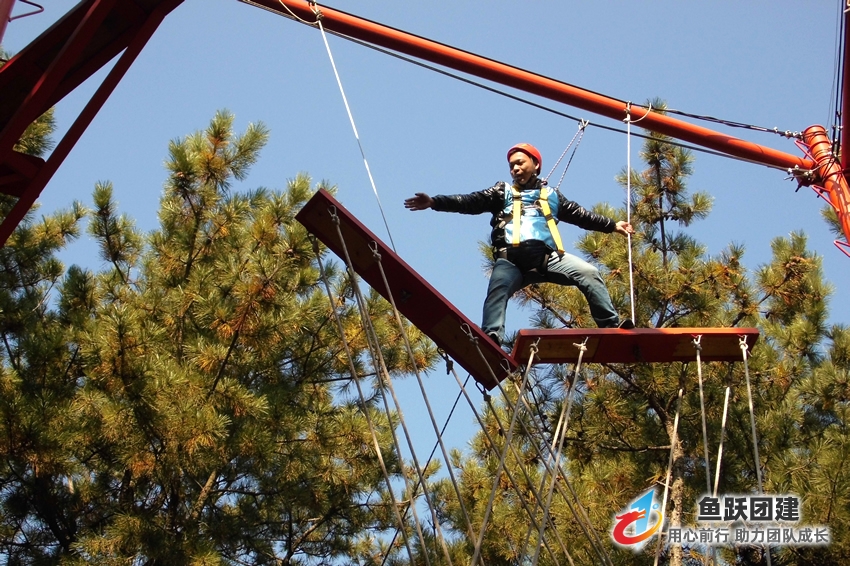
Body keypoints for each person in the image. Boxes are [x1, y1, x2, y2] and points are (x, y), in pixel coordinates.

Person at [404, 143, 634, 347]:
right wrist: (435, 202)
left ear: (536, 164)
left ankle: (611, 326)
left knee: (589, 272)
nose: (514, 169)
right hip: (511, 260)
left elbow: (582, 215)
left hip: (547, 258)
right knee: (497, 291)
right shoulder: (502, 192)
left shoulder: (552, 195)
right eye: (512, 166)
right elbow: (471, 201)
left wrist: (613, 225)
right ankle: (491, 336)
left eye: (520, 163)